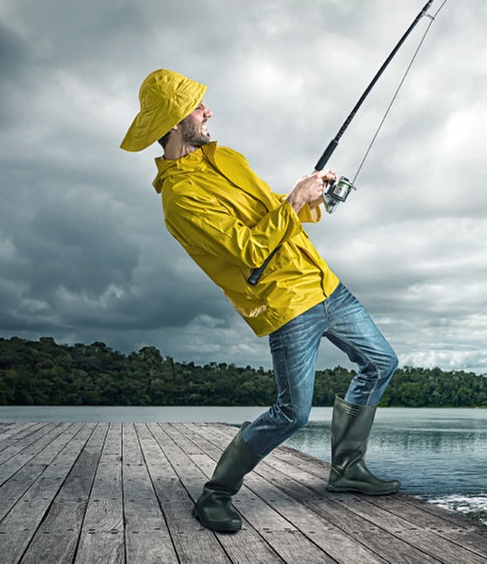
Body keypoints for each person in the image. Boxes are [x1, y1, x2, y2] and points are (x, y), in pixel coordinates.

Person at [120, 69, 400, 533]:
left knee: (381, 362)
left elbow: (270, 205)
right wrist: (292, 203)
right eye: (197, 106)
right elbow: (248, 250)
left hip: (325, 284)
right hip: (286, 306)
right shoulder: (180, 199)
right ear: (173, 122)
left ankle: (347, 469)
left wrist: (313, 196)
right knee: (292, 412)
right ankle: (216, 495)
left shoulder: (226, 156)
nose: (207, 110)